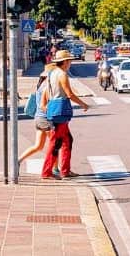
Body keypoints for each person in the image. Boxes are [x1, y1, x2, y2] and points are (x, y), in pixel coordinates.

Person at [39, 52, 89, 181]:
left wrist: (46, 105)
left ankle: (65, 170)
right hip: (60, 111)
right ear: (65, 62)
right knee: (55, 143)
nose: (70, 63)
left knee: (67, 140)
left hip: (55, 109)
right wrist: (83, 104)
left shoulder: (51, 73)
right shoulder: (62, 74)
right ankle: (47, 172)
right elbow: (69, 94)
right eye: (69, 61)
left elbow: (47, 91)